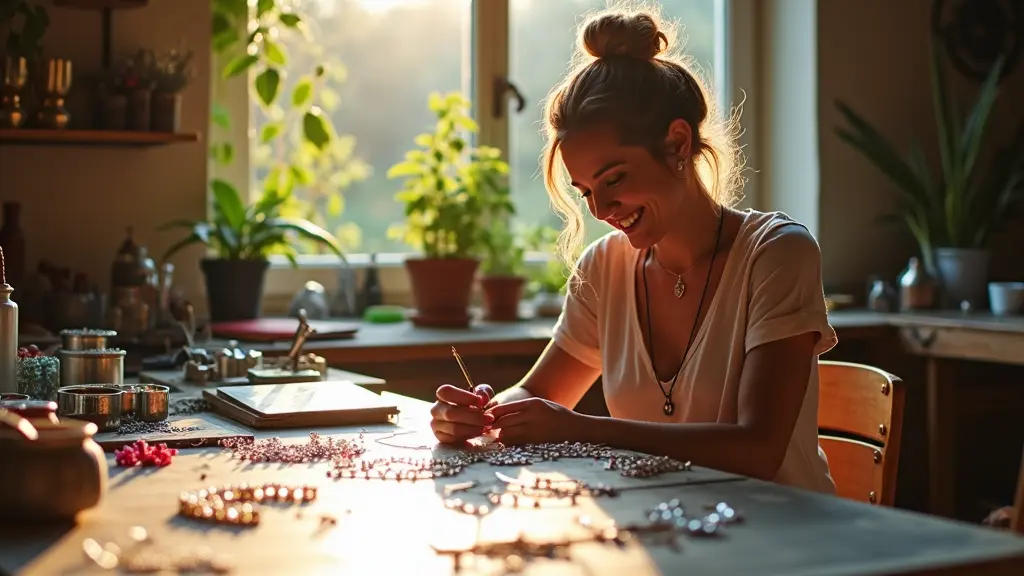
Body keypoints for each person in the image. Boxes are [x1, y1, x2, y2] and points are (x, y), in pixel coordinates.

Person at [429, 5, 838, 494]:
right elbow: (538, 395)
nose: (601, 209)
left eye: (615, 179)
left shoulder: (776, 254)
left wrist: (583, 428)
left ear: (678, 143)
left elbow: (759, 450)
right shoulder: (604, 268)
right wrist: (479, 414)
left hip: (789, 545)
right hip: (663, 532)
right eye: (585, 191)